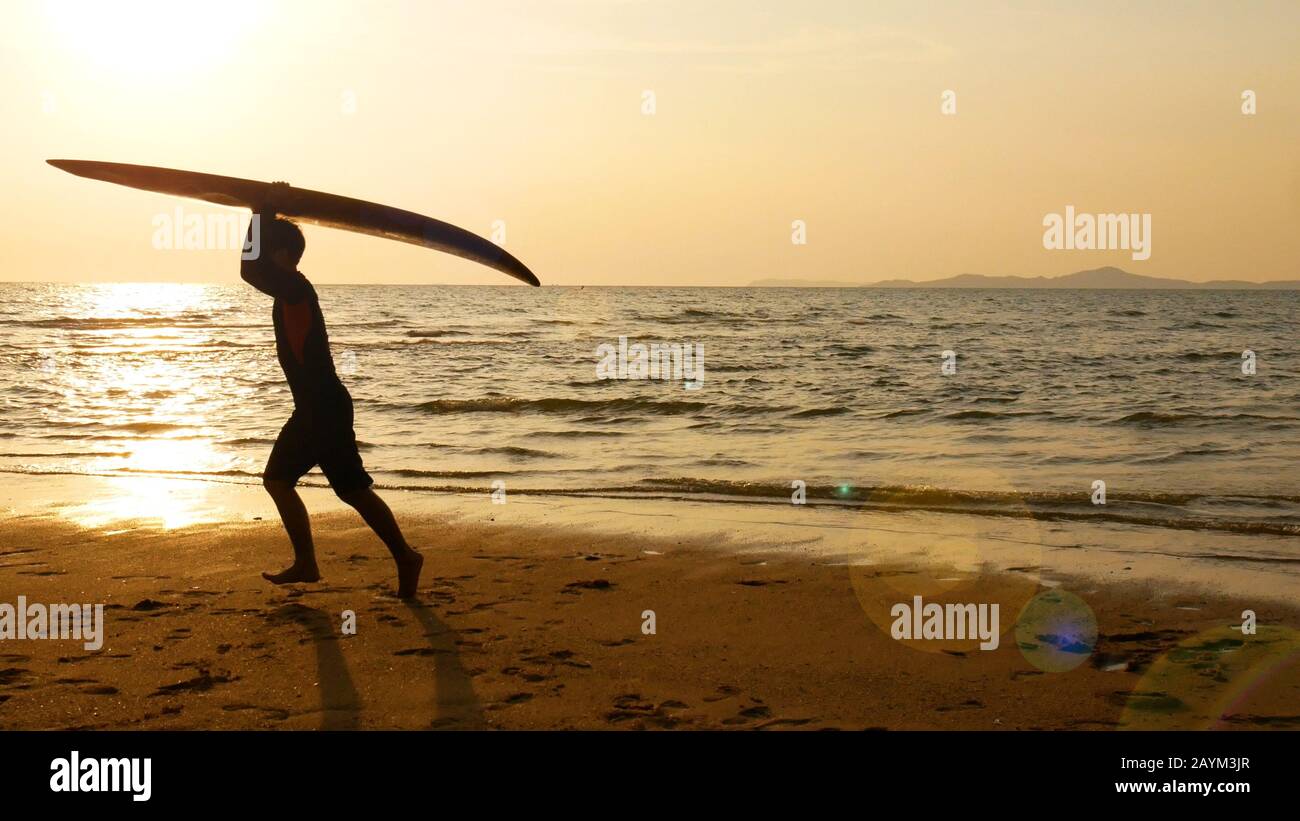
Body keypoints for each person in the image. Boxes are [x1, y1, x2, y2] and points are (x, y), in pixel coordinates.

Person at [240, 183, 422, 597]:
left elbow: (248, 270)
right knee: (284, 481)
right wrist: (261, 215)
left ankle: (405, 557)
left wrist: (260, 211)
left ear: (283, 256)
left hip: (323, 408)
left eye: (268, 251)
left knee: (349, 489)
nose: (262, 261)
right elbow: (254, 268)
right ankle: (308, 563)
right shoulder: (290, 289)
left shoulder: (296, 288)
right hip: (314, 408)